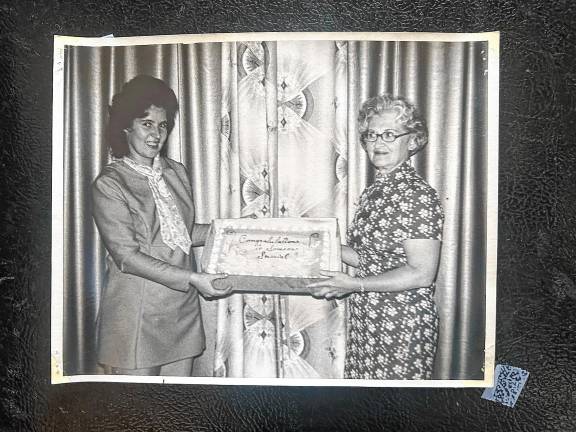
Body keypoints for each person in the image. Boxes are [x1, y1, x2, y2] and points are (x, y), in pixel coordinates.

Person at [92, 75, 230, 376]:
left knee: (176, 411)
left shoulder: (177, 172)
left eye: (163, 125)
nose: (156, 134)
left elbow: (182, 233)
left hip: (182, 312)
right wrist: (193, 278)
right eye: (146, 123)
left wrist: (231, 230)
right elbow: (127, 257)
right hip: (136, 314)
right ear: (126, 126)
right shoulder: (109, 184)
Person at [308, 94, 444, 380]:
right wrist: (317, 240)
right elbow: (369, 259)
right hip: (367, 319)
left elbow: (421, 273)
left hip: (401, 324)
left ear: (413, 140)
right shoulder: (374, 192)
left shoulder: (417, 195)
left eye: (390, 134)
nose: (379, 143)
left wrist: (355, 285)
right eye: (372, 135)